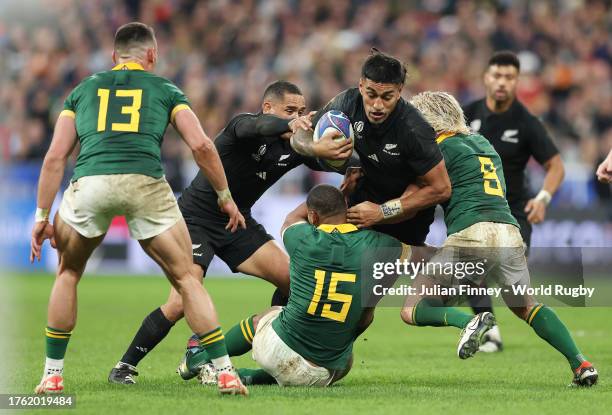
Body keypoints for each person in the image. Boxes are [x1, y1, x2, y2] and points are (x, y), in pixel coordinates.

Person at [30, 22, 248, 396]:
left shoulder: (82, 90)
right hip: (145, 182)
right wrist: (225, 196)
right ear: (152, 55)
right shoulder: (165, 89)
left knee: (67, 274)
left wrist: (41, 217)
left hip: (91, 184)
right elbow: (202, 147)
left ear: (114, 57)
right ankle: (226, 373)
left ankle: (52, 376)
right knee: (186, 279)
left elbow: (54, 157)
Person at [109, 81, 353, 384]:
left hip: (238, 223)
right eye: (290, 110)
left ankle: (270, 341)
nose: (298, 117)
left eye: (302, 111)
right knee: (180, 302)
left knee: (294, 281)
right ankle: (124, 366)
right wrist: (291, 122)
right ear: (268, 108)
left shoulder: (295, 147)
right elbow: (258, 126)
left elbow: (338, 160)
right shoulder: (243, 126)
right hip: (194, 220)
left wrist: (351, 159)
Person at [401, 91, 597, 387]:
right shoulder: (484, 144)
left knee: (411, 308)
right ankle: (580, 363)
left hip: (471, 233)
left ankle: (469, 322)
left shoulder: (437, 152)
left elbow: (414, 196)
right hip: (508, 232)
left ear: (429, 123)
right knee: (525, 306)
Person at [176, 184, 412, 386]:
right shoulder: (380, 245)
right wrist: (382, 213)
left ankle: (202, 358)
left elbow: (292, 218)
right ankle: (249, 378)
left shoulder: (303, 238)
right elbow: (419, 256)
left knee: (269, 315)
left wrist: (341, 187)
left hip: (279, 353)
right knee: (349, 342)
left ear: (314, 217)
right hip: (328, 373)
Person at [290, 49, 451, 246]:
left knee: (390, 272)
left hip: (404, 216)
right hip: (362, 202)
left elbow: (441, 188)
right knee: (296, 223)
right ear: (361, 86)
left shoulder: (413, 129)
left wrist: (381, 212)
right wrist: (317, 149)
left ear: (400, 91)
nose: (377, 105)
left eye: (387, 97)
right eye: (371, 94)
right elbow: (302, 132)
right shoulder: (348, 102)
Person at [463, 51, 565, 351]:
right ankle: (489, 331)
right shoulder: (467, 115)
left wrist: (543, 198)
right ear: (486, 77)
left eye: (508, 77)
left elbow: (556, 165)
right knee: (470, 272)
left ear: (517, 81)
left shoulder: (526, 122)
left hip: (514, 214)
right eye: (496, 75)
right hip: (475, 211)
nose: (501, 83)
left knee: (515, 292)